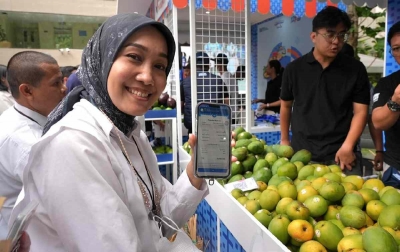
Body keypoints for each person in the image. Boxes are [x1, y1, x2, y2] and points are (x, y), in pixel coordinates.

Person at [19, 14, 209, 251]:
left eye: (159, 66)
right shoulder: (72, 146)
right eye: (134, 57)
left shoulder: (130, 133)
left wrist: (195, 169)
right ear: (103, 58)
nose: (148, 77)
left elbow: (161, 220)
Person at [280, 6, 370, 174]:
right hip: (302, 155)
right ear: (313, 36)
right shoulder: (294, 69)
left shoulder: (355, 69)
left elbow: (361, 112)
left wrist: (348, 146)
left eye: (341, 35)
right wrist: (284, 140)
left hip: (342, 155)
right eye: (330, 34)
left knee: (350, 199)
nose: (336, 41)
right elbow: (285, 106)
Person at [0, 51, 66, 238]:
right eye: (56, 83)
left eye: (62, 81)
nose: (64, 89)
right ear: (27, 91)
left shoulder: (19, 119)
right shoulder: (26, 142)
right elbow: (66, 198)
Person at [372, 21, 400, 179]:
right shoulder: (387, 84)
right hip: (396, 168)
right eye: (396, 49)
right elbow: (378, 122)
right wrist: (395, 101)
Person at [182, 51, 227, 133]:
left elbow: (181, 104)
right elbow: (226, 102)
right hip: (214, 122)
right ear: (208, 65)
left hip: (193, 123)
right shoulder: (218, 80)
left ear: (193, 64)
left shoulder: (186, 81)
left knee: (193, 145)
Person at [213, 53, 238, 124]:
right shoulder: (231, 77)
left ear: (220, 65)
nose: (215, 65)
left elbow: (227, 98)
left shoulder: (223, 78)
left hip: (227, 114)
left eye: (216, 63)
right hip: (234, 113)